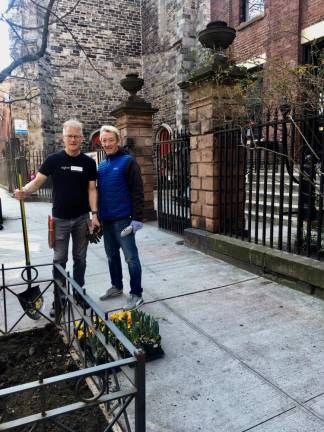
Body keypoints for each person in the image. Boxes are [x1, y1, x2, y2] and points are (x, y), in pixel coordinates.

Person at [15, 119, 100, 316]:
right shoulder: (53, 160)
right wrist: (24, 191)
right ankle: (59, 299)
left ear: (81, 138)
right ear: (64, 138)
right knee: (59, 260)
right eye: (69, 136)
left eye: (76, 136)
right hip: (60, 220)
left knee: (80, 259)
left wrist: (94, 215)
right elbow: (37, 182)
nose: (72, 140)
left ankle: (78, 294)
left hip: (81, 219)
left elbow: (92, 189)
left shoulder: (88, 162)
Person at [98, 125, 144, 310]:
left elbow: (138, 192)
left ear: (117, 141)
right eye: (104, 141)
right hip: (106, 221)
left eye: (110, 140)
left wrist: (137, 220)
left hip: (124, 220)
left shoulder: (128, 162)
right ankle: (116, 286)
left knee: (131, 259)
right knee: (111, 256)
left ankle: (136, 294)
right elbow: (99, 193)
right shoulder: (102, 165)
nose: (107, 143)